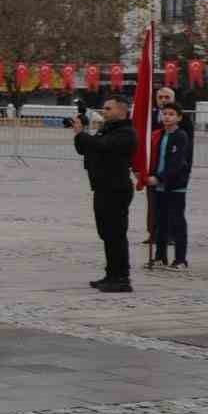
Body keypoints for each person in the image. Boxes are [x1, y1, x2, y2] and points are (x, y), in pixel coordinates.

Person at [73, 96, 139, 293]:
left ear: (122, 111)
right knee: (106, 234)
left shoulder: (127, 133)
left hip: (116, 189)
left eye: (108, 108)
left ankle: (122, 278)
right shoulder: (107, 129)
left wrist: (82, 135)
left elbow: (102, 147)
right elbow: (84, 149)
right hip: (102, 187)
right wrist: (80, 133)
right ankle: (111, 274)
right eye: (104, 108)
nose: (104, 111)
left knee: (115, 234)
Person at [148, 101, 192, 270]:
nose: (167, 117)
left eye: (171, 114)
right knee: (160, 222)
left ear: (179, 118)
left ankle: (180, 259)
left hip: (175, 186)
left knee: (177, 222)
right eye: (164, 113)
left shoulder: (180, 136)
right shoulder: (159, 135)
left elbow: (176, 163)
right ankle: (160, 256)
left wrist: (159, 177)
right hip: (158, 186)